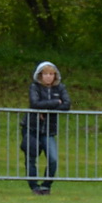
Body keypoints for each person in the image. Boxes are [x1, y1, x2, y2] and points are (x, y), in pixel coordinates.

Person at [22, 61, 70, 194]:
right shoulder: (34, 87)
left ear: (55, 76)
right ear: (40, 75)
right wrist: (55, 102)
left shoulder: (60, 88)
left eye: (51, 74)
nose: (48, 76)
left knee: (53, 158)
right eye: (45, 74)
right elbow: (35, 103)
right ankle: (34, 186)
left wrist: (46, 108)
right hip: (31, 128)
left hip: (49, 130)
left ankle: (46, 185)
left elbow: (66, 105)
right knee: (31, 158)